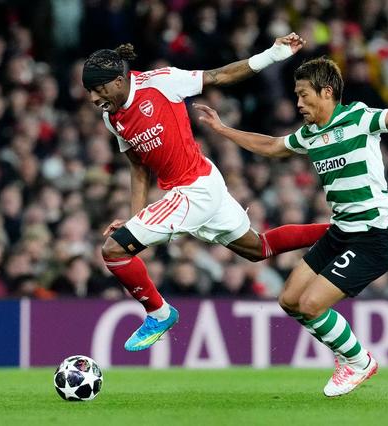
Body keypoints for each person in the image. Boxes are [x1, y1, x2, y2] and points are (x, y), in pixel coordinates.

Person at [195, 57, 388, 396]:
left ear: (327, 92)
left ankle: (358, 361)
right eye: (296, 95)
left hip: (373, 237)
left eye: (304, 95)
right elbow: (272, 146)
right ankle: (347, 356)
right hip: (340, 232)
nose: (298, 103)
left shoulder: (359, 119)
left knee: (311, 305)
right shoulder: (310, 134)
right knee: (289, 299)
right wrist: (223, 130)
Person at [82, 33, 330, 352]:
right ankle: (341, 230)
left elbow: (219, 75)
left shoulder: (161, 83)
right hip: (198, 186)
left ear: (119, 81)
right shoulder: (111, 118)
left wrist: (273, 54)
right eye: (89, 91)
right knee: (258, 248)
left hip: (194, 188)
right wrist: (135, 218)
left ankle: (159, 314)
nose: (93, 98)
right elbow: (138, 167)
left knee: (114, 251)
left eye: (98, 89)